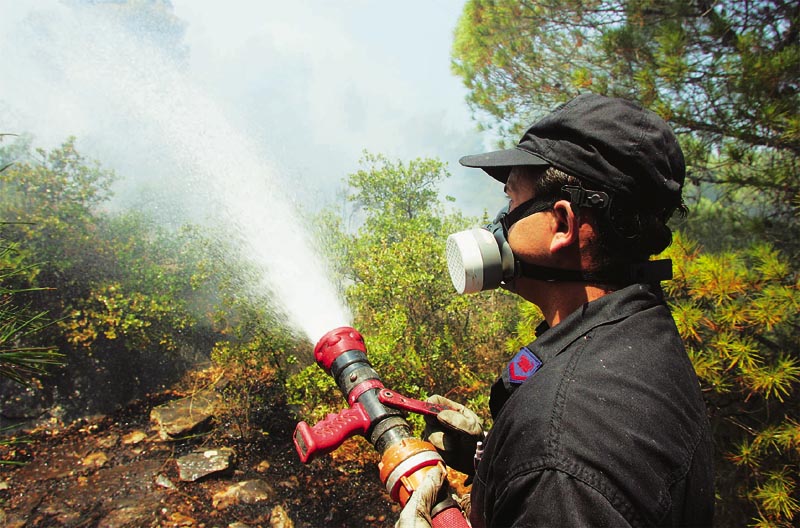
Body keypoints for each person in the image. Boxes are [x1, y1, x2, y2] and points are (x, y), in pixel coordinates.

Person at [397, 94, 714, 527]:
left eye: (512, 200)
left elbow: (572, 472)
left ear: (562, 224)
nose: (499, 220)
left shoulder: (564, 450)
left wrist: (538, 462)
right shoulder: (643, 335)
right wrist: (492, 457)